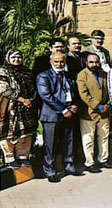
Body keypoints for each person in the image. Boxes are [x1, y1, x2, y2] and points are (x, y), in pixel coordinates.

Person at [37, 52, 82, 182]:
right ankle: (50, 171)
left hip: (69, 113)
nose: (59, 64)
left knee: (69, 140)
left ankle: (69, 166)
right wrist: (63, 109)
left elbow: (73, 92)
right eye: (56, 61)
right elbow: (46, 96)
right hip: (52, 116)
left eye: (62, 61)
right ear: (51, 62)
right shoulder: (43, 76)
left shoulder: (68, 75)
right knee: (50, 145)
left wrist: (73, 105)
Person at [0, 50, 39, 170]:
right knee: (8, 135)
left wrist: (31, 100)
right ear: (8, 58)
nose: (17, 59)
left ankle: (23, 156)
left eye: (19, 57)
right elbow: (4, 89)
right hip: (10, 108)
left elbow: (34, 87)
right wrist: (21, 99)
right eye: (14, 57)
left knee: (26, 134)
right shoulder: (3, 71)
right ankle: (9, 158)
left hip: (28, 108)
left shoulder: (27, 71)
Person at [76, 52, 111, 173]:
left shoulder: (103, 74)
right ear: (86, 62)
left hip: (104, 112)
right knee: (88, 138)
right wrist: (98, 106)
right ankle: (89, 162)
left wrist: (106, 105)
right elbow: (84, 94)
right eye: (91, 62)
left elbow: (109, 91)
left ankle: (103, 160)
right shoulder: (82, 75)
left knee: (104, 136)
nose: (94, 64)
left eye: (96, 62)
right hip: (89, 112)